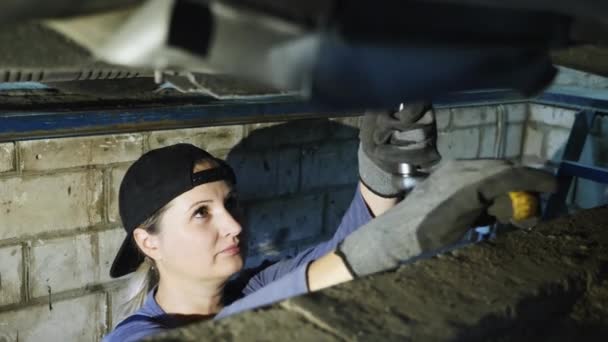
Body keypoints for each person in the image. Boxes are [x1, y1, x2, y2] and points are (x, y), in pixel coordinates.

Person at [103, 103, 556, 341]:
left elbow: (343, 253)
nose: (235, 225)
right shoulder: (135, 336)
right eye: (202, 213)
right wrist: (392, 240)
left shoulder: (257, 286)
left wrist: (385, 169)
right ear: (149, 242)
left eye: (231, 204)